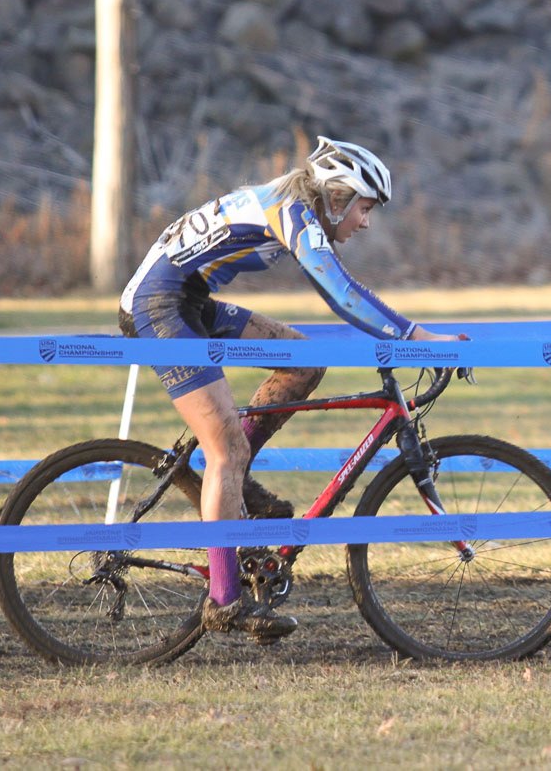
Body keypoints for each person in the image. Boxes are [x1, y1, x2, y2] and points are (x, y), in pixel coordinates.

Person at [119, 136, 464, 639]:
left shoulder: (293, 207)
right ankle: (224, 600)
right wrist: (418, 337)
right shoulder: (293, 211)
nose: (365, 222)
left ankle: (239, 480)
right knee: (225, 451)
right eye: (364, 208)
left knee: (304, 362)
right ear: (337, 195)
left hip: (188, 297)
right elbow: (342, 294)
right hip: (160, 304)